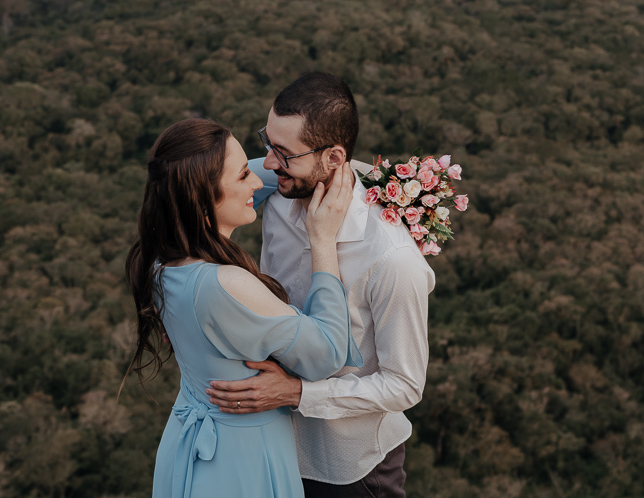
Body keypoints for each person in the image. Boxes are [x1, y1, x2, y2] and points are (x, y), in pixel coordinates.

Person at [205, 72, 435, 498]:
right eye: (266, 143)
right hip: (269, 446)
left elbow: (404, 384)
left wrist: (295, 392)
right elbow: (198, 186)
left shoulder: (391, 260)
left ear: (333, 159)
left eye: (283, 153)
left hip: (348, 467)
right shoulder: (277, 190)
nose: (268, 164)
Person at [123, 118, 362, 498]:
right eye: (240, 177)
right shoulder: (225, 285)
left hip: (190, 444)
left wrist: (321, 163)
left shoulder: (160, 256)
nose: (258, 177)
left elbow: (256, 173)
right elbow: (328, 351)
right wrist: (323, 239)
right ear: (202, 199)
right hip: (241, 462)